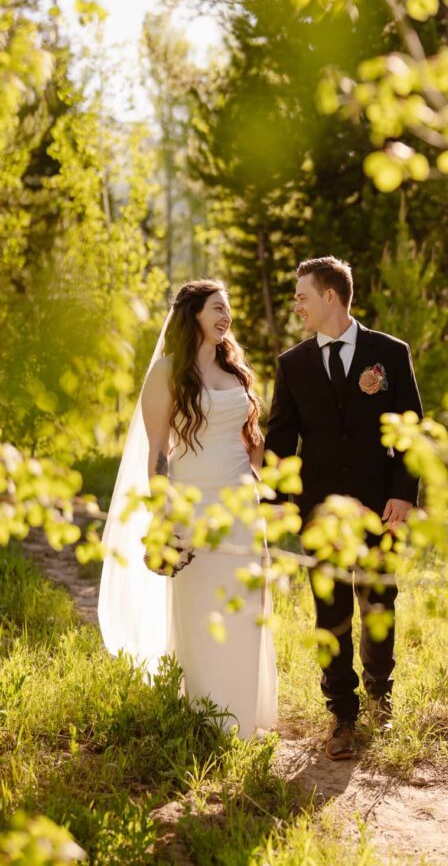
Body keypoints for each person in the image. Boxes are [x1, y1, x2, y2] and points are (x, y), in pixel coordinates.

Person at [98, 279, 277, 738]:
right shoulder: (167, 372)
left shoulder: (236, 370)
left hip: (240, 506)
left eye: (229, 310)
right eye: (218, 308)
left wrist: (261, 480)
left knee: (245, 606)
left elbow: (251, 439)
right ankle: (205, 717)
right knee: (200, 609)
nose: (226, 317)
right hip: (192, 504)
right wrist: (162, 516)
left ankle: (243, 715)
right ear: (193, 313)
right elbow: (157, 451)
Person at [265, 256, 422, 760]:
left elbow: (411, 428)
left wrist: (403, 491)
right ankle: (342, 714)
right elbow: (281, 438)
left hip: (381, 504)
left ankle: (382, 701)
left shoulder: (389, 354)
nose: (297, 306)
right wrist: (276, 503)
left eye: (302, 297)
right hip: (321, 511)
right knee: (329, 609)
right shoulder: (293, 364)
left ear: (331, 296)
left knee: (379, 599)